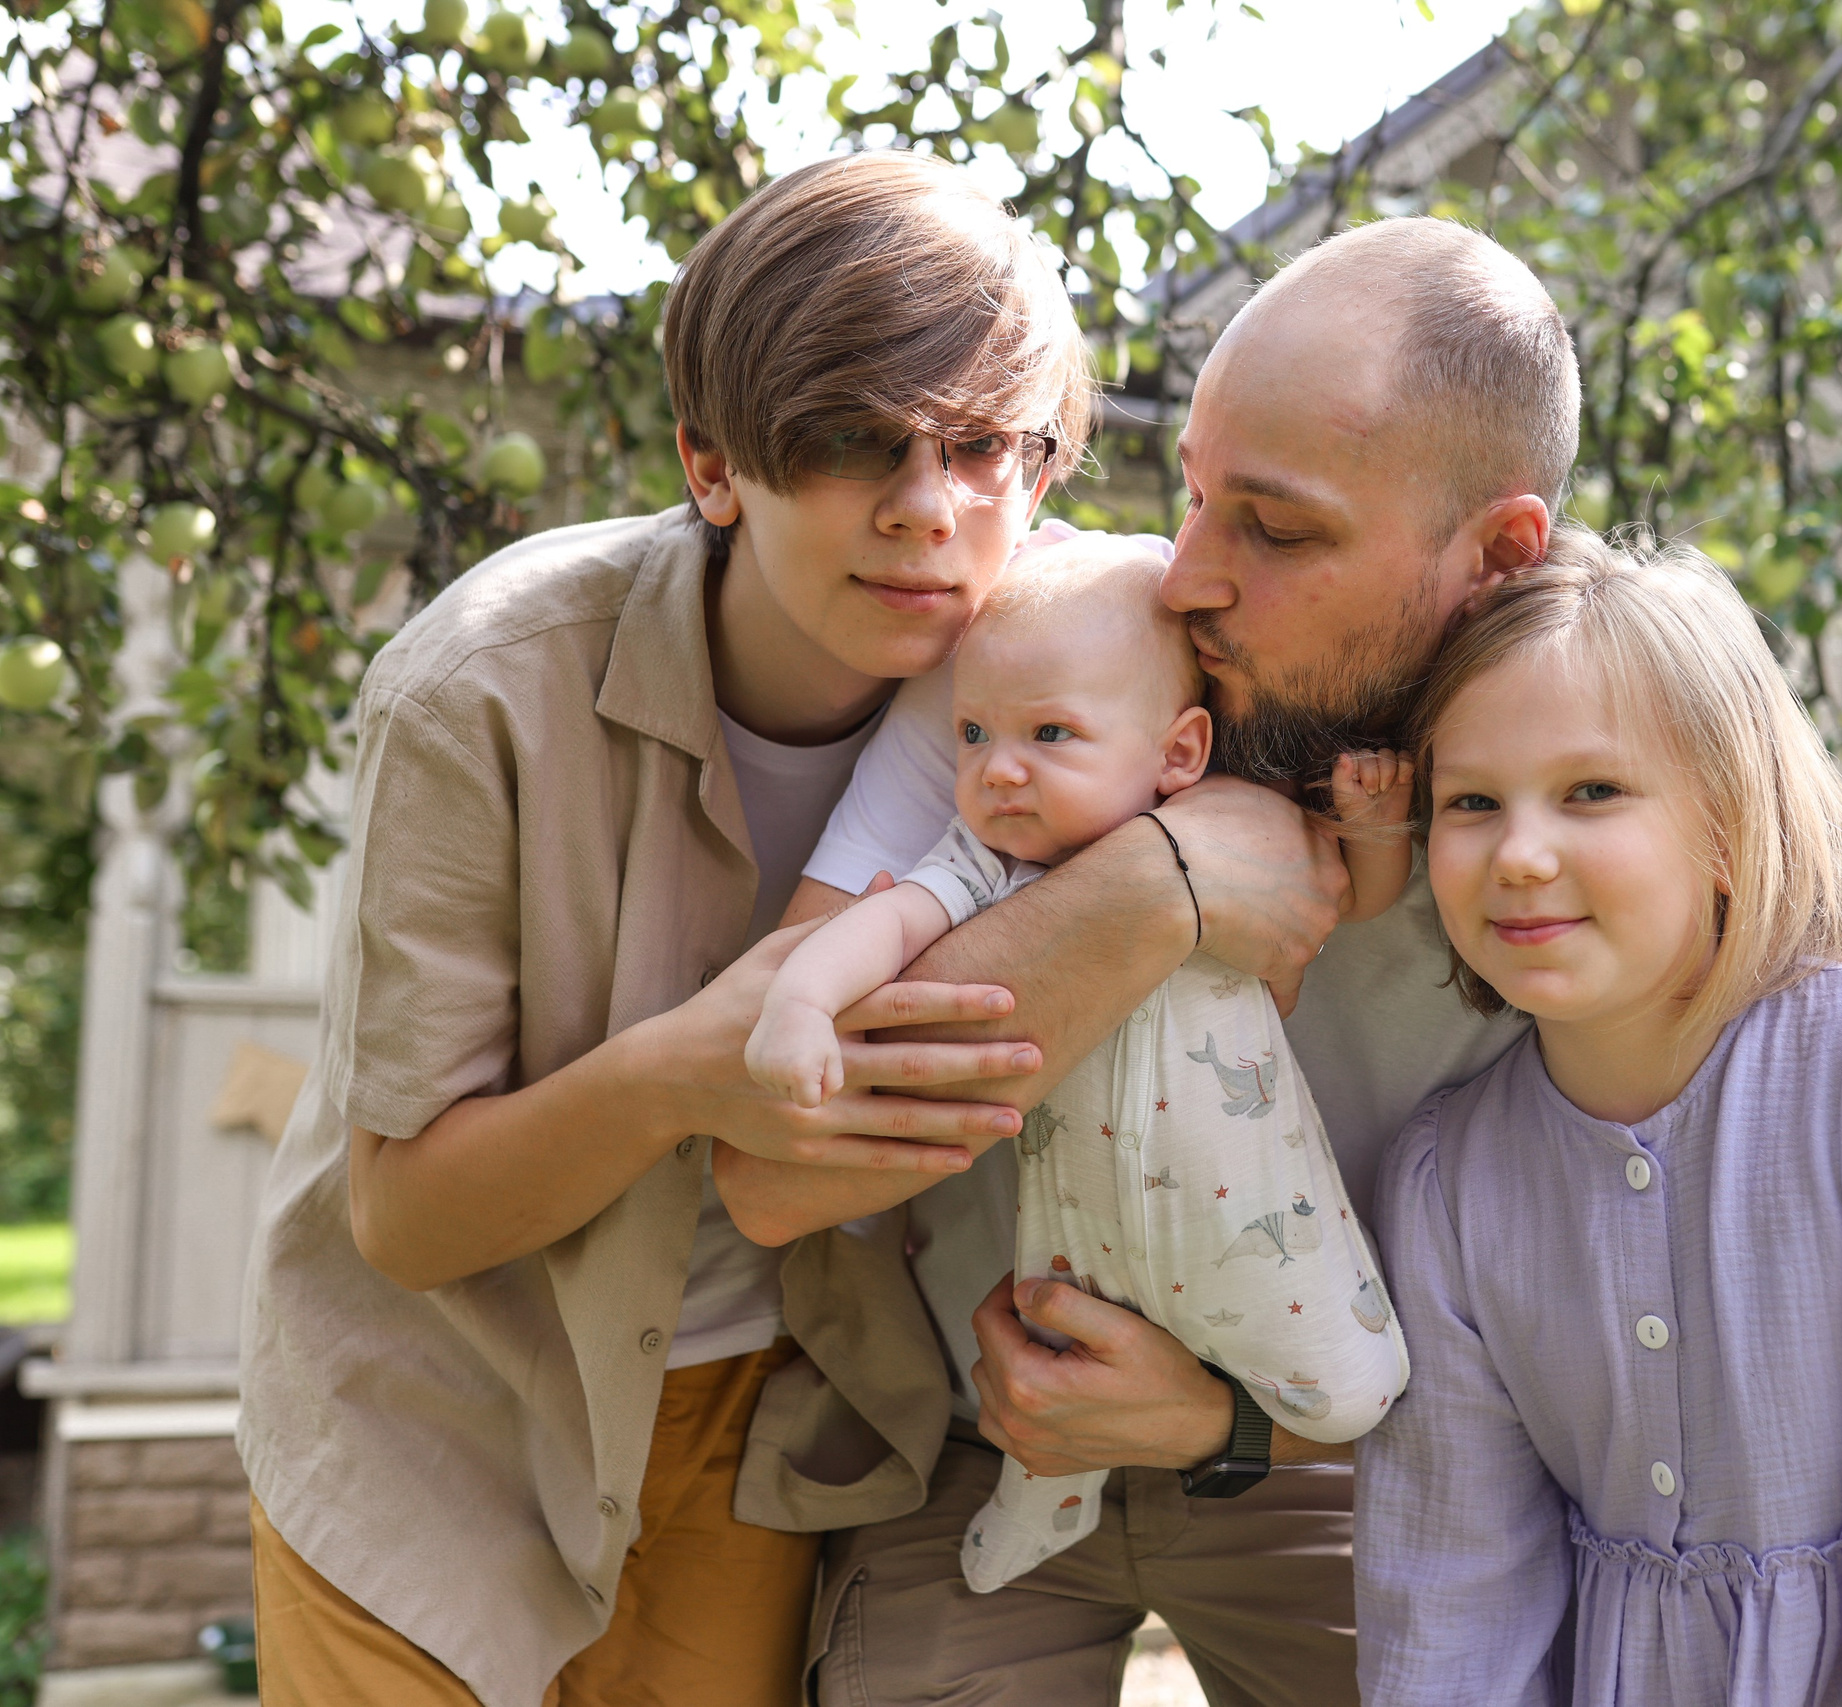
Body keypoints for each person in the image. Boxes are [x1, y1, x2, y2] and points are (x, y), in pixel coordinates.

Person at [234, 151, 1087, 1707]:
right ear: (713, 461)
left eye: (982, 446)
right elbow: (408, 1219)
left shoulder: (1075, 687)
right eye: (849, 441)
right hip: (436, 1404)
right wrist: (674, 1078)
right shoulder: (480, 688)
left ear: (1043, 467)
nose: (926, 507)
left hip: (761, 1416)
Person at [713, 216, 1582, 1704]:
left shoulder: (1584, 781)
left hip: (1343, 1456)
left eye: (1278, 527)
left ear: (1497, 556)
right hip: (986, 1436)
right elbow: (778, 1168)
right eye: (1191, 494)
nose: (1185, 575)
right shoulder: (1060, 650)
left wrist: (1228, 1423)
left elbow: (1617, 1336)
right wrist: (1156, 884)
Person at [1354, 529, 1842, 1705]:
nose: (1519, 853)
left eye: (1591, 792)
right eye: (1473, 802)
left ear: (1727, 823)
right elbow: (1450, 1610)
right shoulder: (1445, 1180)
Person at [746, 532, 1413, 1594]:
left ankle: (1275, 1432)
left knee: (1350, 1391)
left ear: (1178, 753)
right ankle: (1047, 1500)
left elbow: (1337, 913)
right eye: (973, 733)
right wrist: (800, 1002)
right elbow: (883, 926)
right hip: (1077, 1227)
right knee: (1050, 1382)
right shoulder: (987, 866)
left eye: (1050, 734)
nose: (998, 769)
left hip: (1245, 1215)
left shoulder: (1231, 833)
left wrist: (1373, 831)